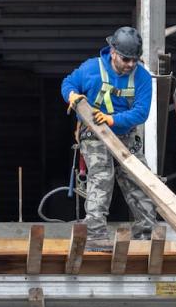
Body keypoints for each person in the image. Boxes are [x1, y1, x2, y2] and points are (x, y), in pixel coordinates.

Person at [61, 27, 157, 249]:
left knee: (138, 178)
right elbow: (68, 83)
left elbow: (142, 112)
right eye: (126, 59)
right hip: (93, 133)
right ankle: (95, 233)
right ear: (113, 52)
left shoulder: (141, 77)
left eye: (135, 59)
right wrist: (72, 95)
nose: (131, 64)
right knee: (102, 173)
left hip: (124, 133)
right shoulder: (91, 68)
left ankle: (145, 233)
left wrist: (112, 120)